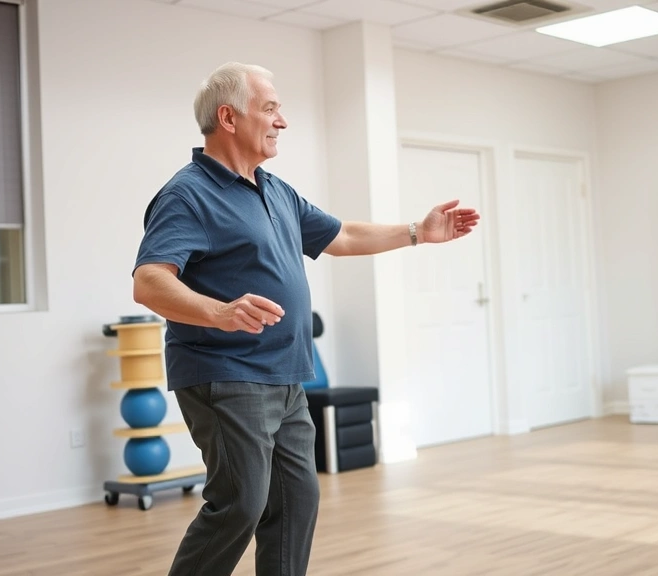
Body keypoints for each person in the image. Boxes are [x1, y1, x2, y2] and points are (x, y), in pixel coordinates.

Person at [131, 62, 479, 576]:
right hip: (226, 373)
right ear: (228, 117)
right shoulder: (188, 194)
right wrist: (220, 313)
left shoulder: (274, 191)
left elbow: (342, 237)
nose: (282, 121)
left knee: (296, 501)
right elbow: (149, 281)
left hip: (286, 375)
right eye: (270, 108)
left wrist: (416, 232)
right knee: (240, 504)